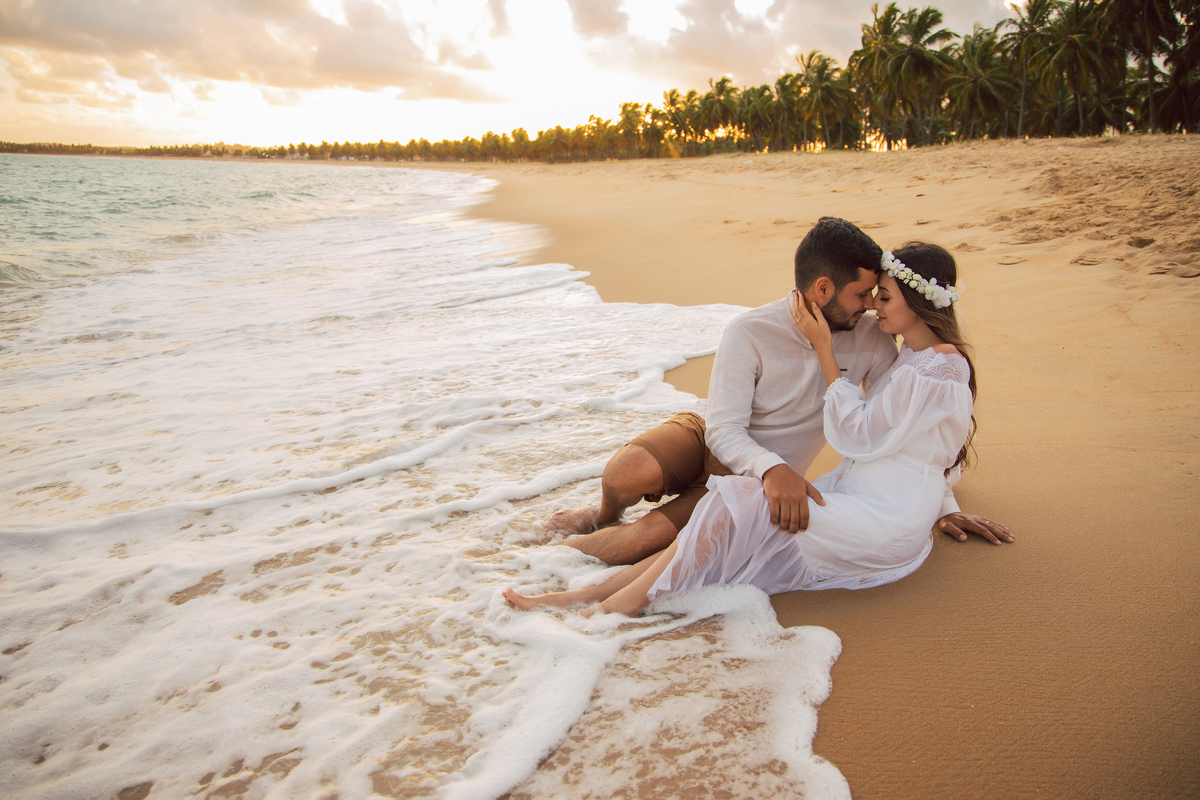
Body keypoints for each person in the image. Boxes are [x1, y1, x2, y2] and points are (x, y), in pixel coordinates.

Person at [505, 242, 985, 616]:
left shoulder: (919, 362)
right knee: (670, 485)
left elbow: (889, 443)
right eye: (867, 296)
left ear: (918, 302)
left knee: (710, 514)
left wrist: (939, 507)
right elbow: (923, 442)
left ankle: (605, 602)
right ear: (822, 290)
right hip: (744, 452)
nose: (872, 307)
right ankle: (585, 572)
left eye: (882, 296)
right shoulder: (905, 356)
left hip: (878, 511)